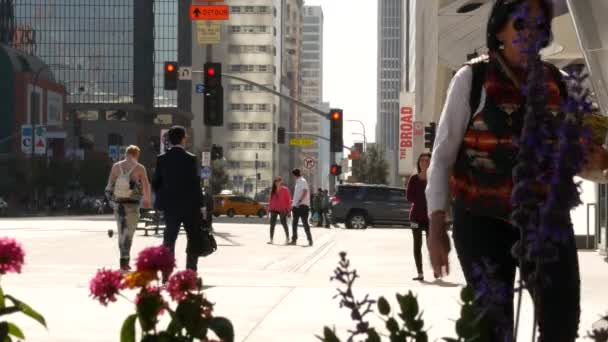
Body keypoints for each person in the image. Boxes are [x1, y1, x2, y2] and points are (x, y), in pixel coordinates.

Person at [426, 0, 608, 340]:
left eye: (539, 27)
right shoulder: (472, 79)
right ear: (499, 31)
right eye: (521, 26)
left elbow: (581, 159)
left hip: (546, 221)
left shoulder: (562, 84)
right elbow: (442, 157)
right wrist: (436, 223)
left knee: (562, 322)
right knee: (494, 328)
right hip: (481, 220)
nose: (531, 35)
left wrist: (600, 160)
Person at [152, 126, 205, 273]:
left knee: (169, 238)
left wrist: (162, 199)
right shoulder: (191, 159)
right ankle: (190, 272)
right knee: (193, 237)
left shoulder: (162, 159)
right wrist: (202, 205)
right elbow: (196, 184)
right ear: (183, 138)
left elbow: (156, 182)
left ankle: (166, 273)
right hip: (190, 206)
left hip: (170, 207)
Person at [105, 145, 151, 272]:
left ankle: (123, 260)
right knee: (129, 234)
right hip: (132, 205)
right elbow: (146, 185)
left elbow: (109, 186)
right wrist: (147, 200)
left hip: (118, 204)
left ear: (126, 153)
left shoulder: (116, 166)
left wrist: (111, 202)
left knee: (121, 232)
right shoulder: (140, 168)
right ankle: (126, 261)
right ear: (136, 154)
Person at [406, 153, 431, 281]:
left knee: (431, 245)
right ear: (419, 163)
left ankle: (436, 269)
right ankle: (420, 273)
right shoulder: (414, 179)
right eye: (422, 160)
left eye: (427, 160)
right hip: (415, 217)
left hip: (430, 218)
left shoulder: (434, 178)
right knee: (417, 245)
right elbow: (409, 197)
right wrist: (421, 199)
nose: (424, 162)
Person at [289, 169, 313, 246]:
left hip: (302, 206)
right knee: (295, 223)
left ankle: (309, 240)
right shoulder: (299, 182)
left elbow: (305, 191)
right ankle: (294, 240)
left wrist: (299, 201)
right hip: (296, 205)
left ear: (294, 175)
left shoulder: (302, 181)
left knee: (304, 223)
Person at [267, 176, 292, 244]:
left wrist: (289, 210)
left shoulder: (285, 189)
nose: (277, 182)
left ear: (281, 182)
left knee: (284, 223)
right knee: (272, 224)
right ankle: (271, 240)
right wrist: (268, 210)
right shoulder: (273, 190)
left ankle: (287, 239)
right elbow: (270, 201)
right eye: (276, 181)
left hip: (282, 209)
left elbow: (288, 200)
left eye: (278, 181)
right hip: (273, 209)